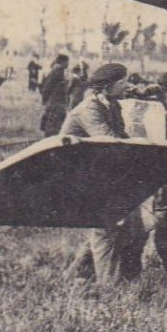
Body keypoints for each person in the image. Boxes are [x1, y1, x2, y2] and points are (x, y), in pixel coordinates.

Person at [119, 72, 167, 281]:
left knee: (165, 231)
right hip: (143, 177)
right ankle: (129, 276)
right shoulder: (149, 108)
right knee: (135, 231)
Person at [60, 62, 134, 283]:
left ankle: (73, 275)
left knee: (110, 226)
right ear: (108, 86)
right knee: (106, 227)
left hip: (97, 172)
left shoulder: (112, 105)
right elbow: (108, 142)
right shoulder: (89, 109)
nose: (127, 86)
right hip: (74, 175)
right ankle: (108, 286)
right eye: (123, 82)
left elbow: (123, 139)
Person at [37, 53, 70, 135]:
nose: (68, 64)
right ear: (63, 62)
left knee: (57, 126)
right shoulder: (56, 71)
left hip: (58, 103)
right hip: (55, 104)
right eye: (67, 62)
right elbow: (47, 87)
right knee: (53, 127)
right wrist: (46, 101)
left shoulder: (60, 71)